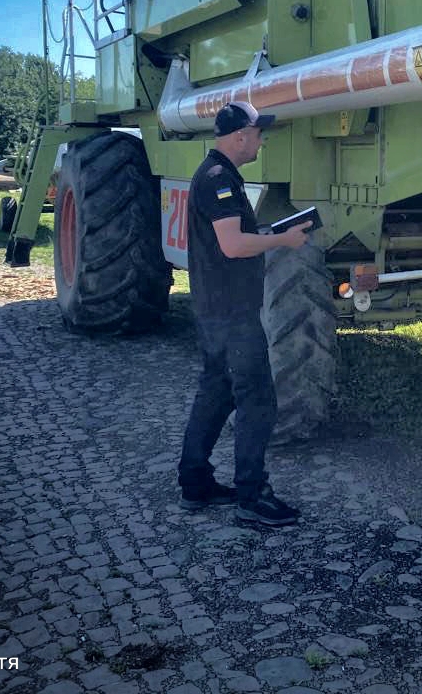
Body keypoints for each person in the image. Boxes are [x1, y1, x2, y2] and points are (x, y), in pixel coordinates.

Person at [177, 101, 312, 526]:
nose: (261, 141)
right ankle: (252, 497)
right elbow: (233, 245)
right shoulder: (219, 179)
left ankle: (194, 483)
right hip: (232, 313)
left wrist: (270, 232)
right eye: (257, 133)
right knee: (257, 400)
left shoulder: (216, 174)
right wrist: (282, 241)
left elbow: (233, 238)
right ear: (240, 136)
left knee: (216, 393)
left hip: (215, 308)